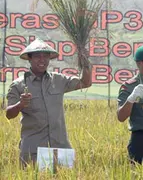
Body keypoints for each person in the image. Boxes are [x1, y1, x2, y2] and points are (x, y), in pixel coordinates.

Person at [5, 38, 92, 167]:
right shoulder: (18, 85)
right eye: (37, 56)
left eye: (46, 56)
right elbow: (9, 114)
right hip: (33, 148)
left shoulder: (59, 80)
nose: (42, 60)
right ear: (29, 58)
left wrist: (85, 61)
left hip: (60, 146)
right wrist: (20, 104)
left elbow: (86, 82)